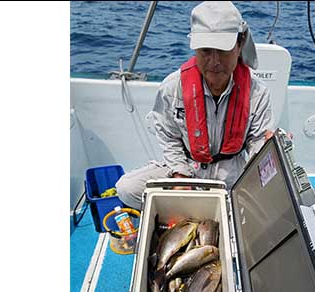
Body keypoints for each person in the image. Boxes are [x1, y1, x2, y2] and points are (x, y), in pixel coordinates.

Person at [115, 1, 274, 210]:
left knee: (273, 201)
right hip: (189, 170)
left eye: (223, 50)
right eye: (206, 50)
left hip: (233, 177)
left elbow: (256, 143)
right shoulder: (173, 87)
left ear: (240, 43)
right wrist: (180, 175)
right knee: (126, 188)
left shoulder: (258, 92)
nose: (214, 61)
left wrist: (271, 150)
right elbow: (168, 136)